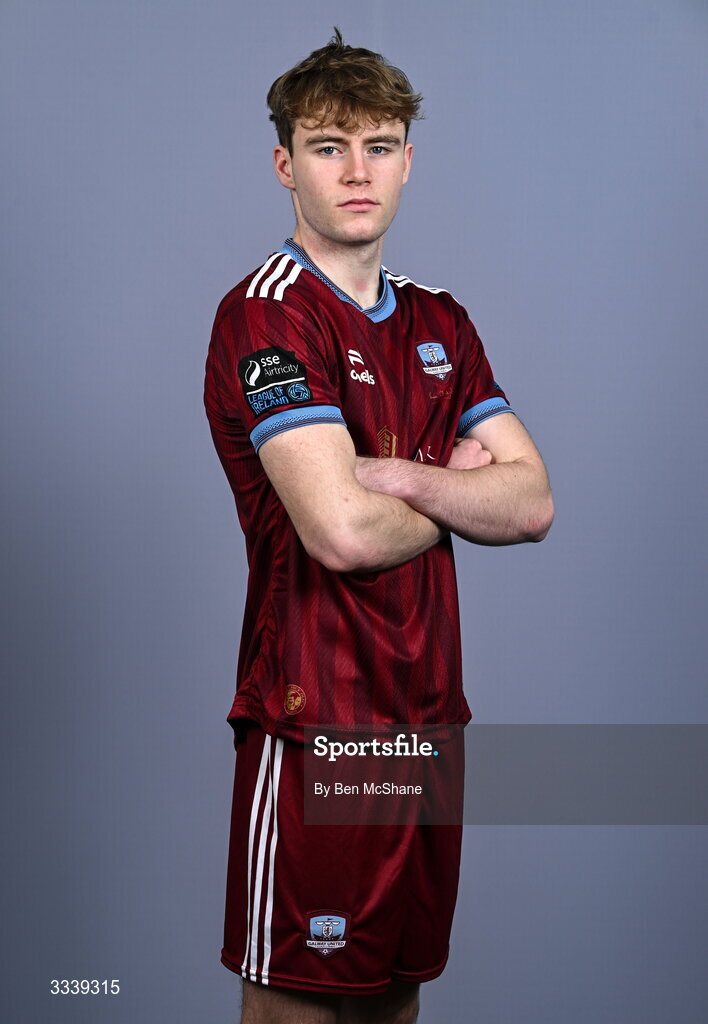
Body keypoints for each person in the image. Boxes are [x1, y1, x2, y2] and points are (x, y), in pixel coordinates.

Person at [204, 27, 553, 1024]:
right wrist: (455, 487)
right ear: (285, 164)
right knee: (298, 1008)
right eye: (328, 146)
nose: (358, 171)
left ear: (409, 159)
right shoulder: (265, 316)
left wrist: (396, 474)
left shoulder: (444, 322)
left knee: (395, 1001)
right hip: (317, 723)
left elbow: (530, 503)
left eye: (381, 144)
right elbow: (342, 533)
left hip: (429, 726)